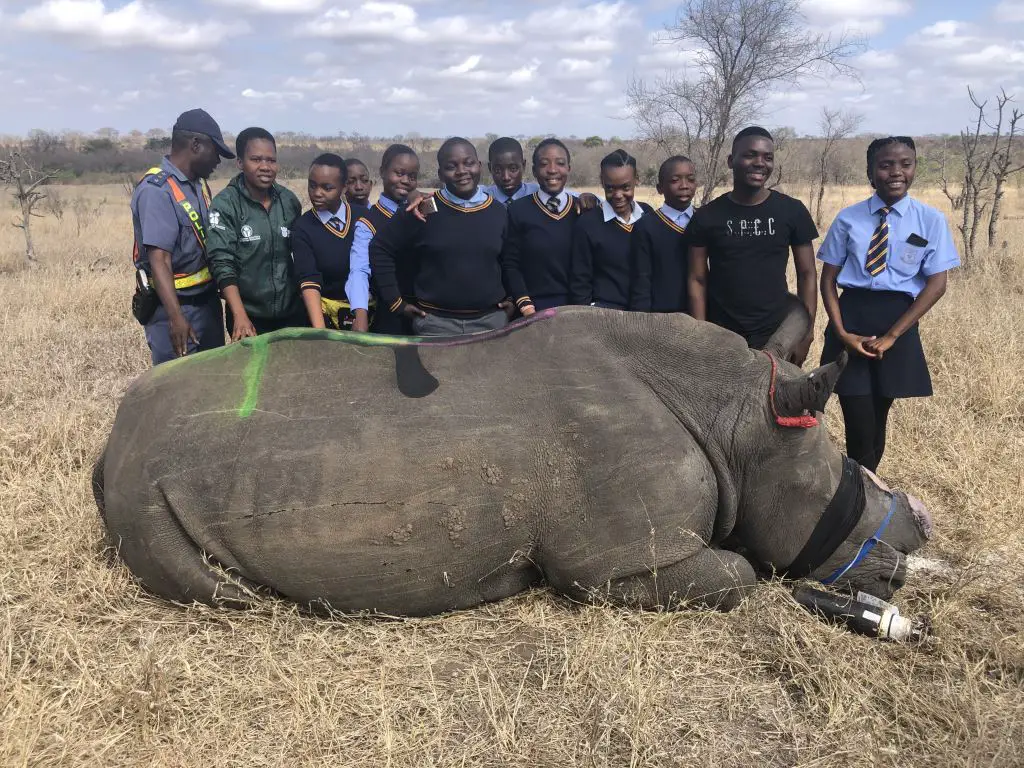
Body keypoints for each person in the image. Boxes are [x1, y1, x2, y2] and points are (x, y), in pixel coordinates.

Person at [818, 136, 959, 472]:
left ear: (914, 168)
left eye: (905, 164)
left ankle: (866, 487)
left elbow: (936, 284)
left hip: (899, 322)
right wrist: (841, 333)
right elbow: (827, 280)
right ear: (871, 171)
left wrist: (893, 335)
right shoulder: (848, 219)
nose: (896, 172)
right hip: (851, 319)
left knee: (879, 413)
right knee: (858, 416)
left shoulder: (929, 220)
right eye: (886, 164)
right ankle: (859, 491)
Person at [687, 126, 818, 362]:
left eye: (768, 157)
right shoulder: (707, 216)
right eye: (750, 155)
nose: (760, 163)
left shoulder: (792, 211)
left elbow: (807, 274)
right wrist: (700, 334)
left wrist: (805, 334)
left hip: (779, 335)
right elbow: (697, 279)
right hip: (722, 335)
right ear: (730, 161)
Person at [370, 137, 510, 336]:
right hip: (434, 325)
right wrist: (395, 301)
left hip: (491, 322)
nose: (462, 171)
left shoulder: (498, 211)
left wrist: (513, 298)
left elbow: (511, 260)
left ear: (479, 166)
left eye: (468, 163)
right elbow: (380, 248)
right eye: (451, 166)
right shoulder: (423, 208)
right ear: (440, 174)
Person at [129, 108, 234, 365]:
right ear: (196, 145)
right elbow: (160, 259)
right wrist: (176, 319)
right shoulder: (157, 191)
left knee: (212, 383)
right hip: (174, 309)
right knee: (176, 390)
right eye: (215, 152)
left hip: (207, 304)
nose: (218, 161)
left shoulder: (198, 185)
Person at [207, 127, 304, 338]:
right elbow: (221, 262)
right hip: (248, 316)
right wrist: (240, 315)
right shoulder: (225, 204)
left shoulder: (289, 201)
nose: (265, 167)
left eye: (271, 160)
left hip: (292, 313)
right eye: (256, 159)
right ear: (240, 163)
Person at [290, 153, 369, 330]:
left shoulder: (363, 217)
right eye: (312, 185)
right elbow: (309, 280)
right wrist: (322, 333)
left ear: (343, 187)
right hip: (326, 318)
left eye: (327, 187)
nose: (317, 193)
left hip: (368, 314)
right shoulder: (303, 227)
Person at [348, 143, 421, 335]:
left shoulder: (422, 211)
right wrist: (361, 315)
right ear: (382, 172)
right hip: (390, 311)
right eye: (399, 173)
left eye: (412, 176)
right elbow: (360, 271)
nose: (405, 180)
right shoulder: (369, 222)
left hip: (427, 310)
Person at [503, 138, 581, 314]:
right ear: (534, 170)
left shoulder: (582, 210)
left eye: (560, 163)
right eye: (544, 164)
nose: (552, 170)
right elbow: (511, 264)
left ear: (569, 168)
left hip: (577, 309)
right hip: (532, 310)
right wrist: (525, 305)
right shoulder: (517, 210)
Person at [569, 148, 652, 309]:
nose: (618, 195)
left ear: (637, 180)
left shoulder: (648, 215)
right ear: (602, 181)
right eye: (610, 188)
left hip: (645, 314)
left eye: (625, 187)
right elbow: (580, 281)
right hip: (604, 315)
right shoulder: (588, 224)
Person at [629, 155, 698, 313]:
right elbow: (642, 279)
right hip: (662, 318)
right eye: (675, 180)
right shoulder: (645, 226)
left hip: (702, 313)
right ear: (660, 188)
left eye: (690, 179)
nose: (684, 186)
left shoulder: (705, 220)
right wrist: (642, 320)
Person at [483, 137, 539, 206]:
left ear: (523, 165)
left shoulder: (537, 194)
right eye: (498, 170)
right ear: (490, 168)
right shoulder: (483, 199)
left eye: (513, 168)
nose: (506, 177)